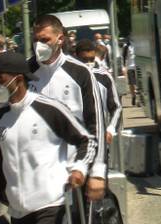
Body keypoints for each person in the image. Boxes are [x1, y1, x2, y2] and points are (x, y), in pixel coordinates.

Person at [0, 51, 97, 224]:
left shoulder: (48, 109)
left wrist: (80, 168)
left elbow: (87, 140)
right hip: (18, 212)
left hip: (50, 207)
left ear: (17, 79)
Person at [28, 14, 106, 201]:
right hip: (34, 173)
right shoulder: (25, 72)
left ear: (60, 39)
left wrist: (97, 171)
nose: (39, 45)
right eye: (36, 40)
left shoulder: (80, 73)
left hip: (73, 171)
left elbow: (96, 122)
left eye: (45, 40)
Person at [75, 39, 122, 146]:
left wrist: (110, 129)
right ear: (76, 58)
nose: (88, 64)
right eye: (84, 60)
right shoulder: (68, 78)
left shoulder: (104, 77)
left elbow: (116, 107)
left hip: (100, 137)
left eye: (91, 59)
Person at [122, 37, 138, 106]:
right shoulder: (126, 46)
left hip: (137, 66)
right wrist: (124, 67)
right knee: (132, 84)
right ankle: (133, 96)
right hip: (130, 67)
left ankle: (138, 98)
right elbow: (124, 57)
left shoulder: (138, 44)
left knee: (138, 83)